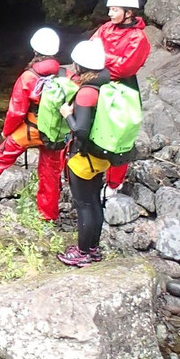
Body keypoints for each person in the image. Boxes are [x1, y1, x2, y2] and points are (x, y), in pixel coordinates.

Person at [0, 28, 65, 220]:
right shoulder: (64, 73)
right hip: (55, 132)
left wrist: (6, 132)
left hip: (30, 130)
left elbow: (16, 111)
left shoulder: (29, 77)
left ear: (35, 50)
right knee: (50, 172)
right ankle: (48, 214)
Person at [91, 0, 151, 194]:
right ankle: (91, 172)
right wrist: (110, 59)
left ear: (128, 12)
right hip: (100, 82)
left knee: (118, 134)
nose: (109, 14)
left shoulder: (138, 38)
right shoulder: (106, 28)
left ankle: (113, 183)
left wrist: (103, 59)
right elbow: (90, 50)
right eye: (110, 9)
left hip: (122, 88)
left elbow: (125, 68)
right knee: (91, 128)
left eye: (114, 10)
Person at [57, 40, 110, 267]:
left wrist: (67, 114)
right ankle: (94, 249)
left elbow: (80, 130)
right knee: (94, 201)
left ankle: (82, 253)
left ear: (80, 66)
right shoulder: (107, 83)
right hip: (102, 155)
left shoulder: (86, 93)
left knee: (84, 205)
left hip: (84, 158)